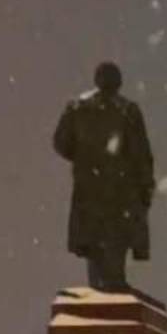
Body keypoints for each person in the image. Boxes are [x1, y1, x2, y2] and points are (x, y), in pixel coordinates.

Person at [52, 61, 155, 291]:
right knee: (114, 236)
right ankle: (113, 282)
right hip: (119, 188)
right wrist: (145, 185)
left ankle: (101, 284)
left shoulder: (77, 107)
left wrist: (84, 160)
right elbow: (141, 154)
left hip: (89, 186)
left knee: (93, 238)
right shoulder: (127, 110)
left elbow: (61, 143)